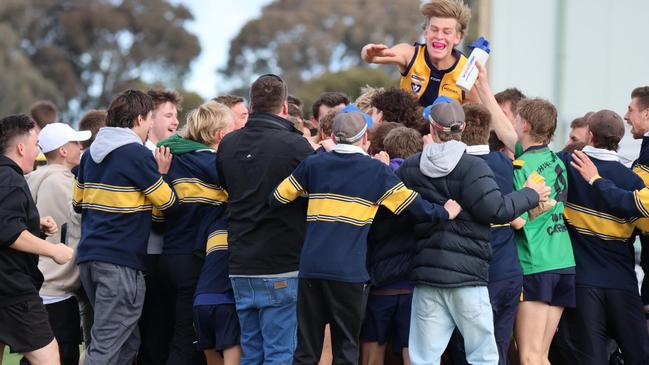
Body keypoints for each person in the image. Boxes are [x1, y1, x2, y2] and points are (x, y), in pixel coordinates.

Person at [270, 112, 460, 364]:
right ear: (365, 138)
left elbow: (277, 199)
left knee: (306, 351)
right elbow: (414, 207)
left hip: (310, 268)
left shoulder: (313, 165)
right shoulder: (376, 172)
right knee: (346, 348)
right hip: (349, 272)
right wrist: (444, 212)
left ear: (331, 137)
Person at [397, 97, 548, 365]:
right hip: (468, 276)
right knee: (483, 357)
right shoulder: (474, 166)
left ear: (432, 128)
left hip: (427, 275)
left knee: (424, 358)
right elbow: (495, 210)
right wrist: (529, 194)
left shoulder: (410, 167)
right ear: (463, 128)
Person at [474, 63, 576, 365]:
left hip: (535, 263)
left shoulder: (521, 165)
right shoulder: (554, 160)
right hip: (563, 262)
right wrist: (482, 84)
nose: (510, 123)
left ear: (526, 126)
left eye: (515, 118)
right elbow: (503, 127)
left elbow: (521, 217)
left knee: (529, 356)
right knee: (541, 356)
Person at [73, 89, 177, 365]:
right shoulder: (136, 154)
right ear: (141, 118)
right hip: (120, 262)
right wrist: (162, 174)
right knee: (106, 348)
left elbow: (78, 202)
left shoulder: (87, 156)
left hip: (89, 259)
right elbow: (167, 202)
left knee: (127, 342)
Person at [216, 74, 314, 365]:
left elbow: (226, 187)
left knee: (252, 350)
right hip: (282, 263)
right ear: (284, 107)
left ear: (251, 104)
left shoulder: (228, 144)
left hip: (241, 262)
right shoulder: (296, 146)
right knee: (280, 354)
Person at [554, 110, 649, 364]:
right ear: (619, 138)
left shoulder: (566, 163)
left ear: (590, 135)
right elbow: (644, 226)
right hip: (623, 282)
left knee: (590, 358)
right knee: (639, 355)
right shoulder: (633, 181)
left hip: (582, 282)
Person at [156, 101, 239, 365]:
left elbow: (158, 214)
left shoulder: (171, 158)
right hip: (194, 261)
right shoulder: (216, 165)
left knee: (163, 339)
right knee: (187, 344)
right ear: (220, 135)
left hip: (166, 256)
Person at [446, 103, 525, 365]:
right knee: (498, 348)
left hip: (472, 274)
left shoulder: (454, 166)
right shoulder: (506, 162)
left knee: (465, 349)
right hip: (509, 272)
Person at [0, 114, 73, 365]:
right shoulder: (9, 178)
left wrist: (34, 224)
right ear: (21, 147)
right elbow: (7, 231)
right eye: (36, 144)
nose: (39, 151)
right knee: (48, 357)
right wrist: (53, 251)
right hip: (12, 289)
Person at [24, 123, 90, 365]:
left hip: (38, 283)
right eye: (75, 143)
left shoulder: (31, 178)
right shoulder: (62, 183)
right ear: (63, 150)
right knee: (63, 355)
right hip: (57, 288)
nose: (80, 147)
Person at [362, 126, 424, 365]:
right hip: (414, 287)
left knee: (371, 354)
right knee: (415, 354)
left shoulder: (374, 179)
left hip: (380, 285)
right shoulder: (425, 180)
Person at [361, 0, 478, 106]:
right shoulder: (410, 54)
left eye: (446, 32)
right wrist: (367, 52)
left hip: (445, 129)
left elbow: (474, 116)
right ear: (426, 32)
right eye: (434, 29)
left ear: (457, 37)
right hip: (406, 128)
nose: (439, 36)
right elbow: (375, 58)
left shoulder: (467, 70)